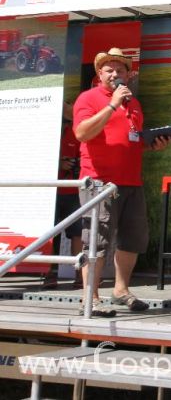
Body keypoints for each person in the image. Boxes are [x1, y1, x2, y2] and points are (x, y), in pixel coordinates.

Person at [73, 48, 171, 317]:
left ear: (129, 74)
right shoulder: (89, 98)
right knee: (97, 240)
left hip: (131, 181)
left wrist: (154, 144)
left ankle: (120, 290)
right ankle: (90, 298)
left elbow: (131, 141)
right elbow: (82, 133)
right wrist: (112, 104)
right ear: (99, 74)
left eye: (121, 70)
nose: (116, 74)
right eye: (110, 70)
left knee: (133, 238)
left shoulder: (134, 104)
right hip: (100, 182)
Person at [42, 100, 83, 290]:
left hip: (72, 190)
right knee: (50, 234)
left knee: (78, 233)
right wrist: (58, 163)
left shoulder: (76, 132)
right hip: (48, 191)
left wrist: (73, 164)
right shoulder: (44, 131)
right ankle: (48, 274)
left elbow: (83, 159)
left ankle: (80, 276)